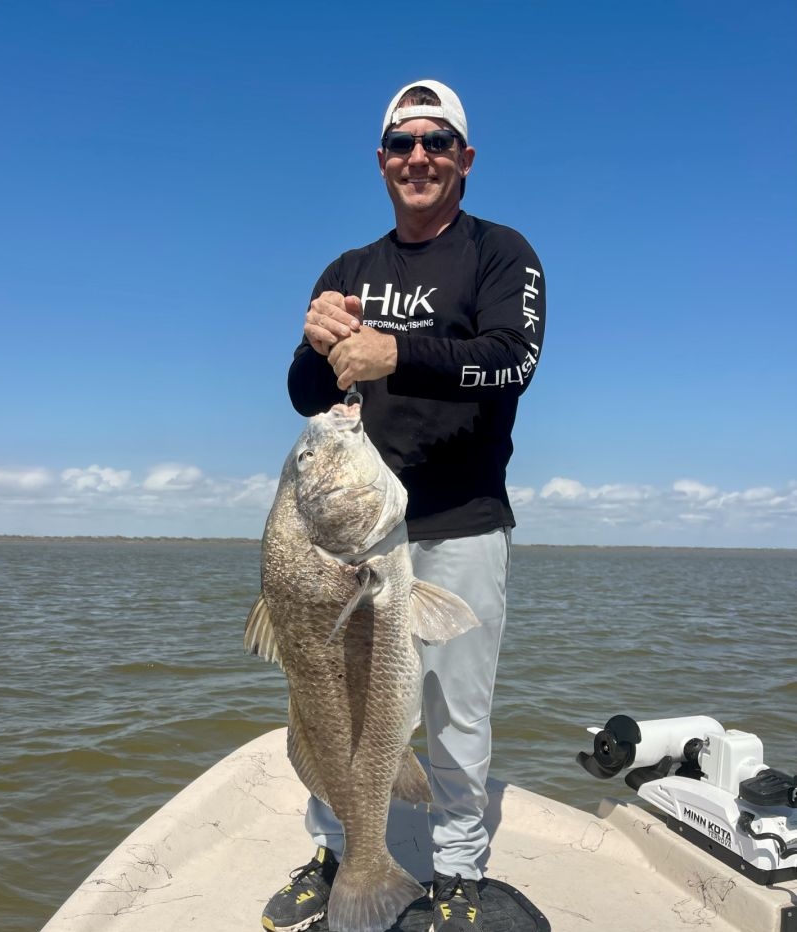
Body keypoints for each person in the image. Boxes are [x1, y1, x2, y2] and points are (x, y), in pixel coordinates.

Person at [262, 79, 546, 932]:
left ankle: (457, 870)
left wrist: (398, 353)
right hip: (348, 543)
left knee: (457, 711)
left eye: (435, 141)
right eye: (401, 143)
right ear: (381, 159)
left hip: (460, 521)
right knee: (328, 702)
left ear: (465, 158)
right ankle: (339, 853)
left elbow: (514, 360)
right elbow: (308, 395)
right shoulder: (348, 270)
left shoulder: (502, 254)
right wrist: (315, 345)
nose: (417, 157)